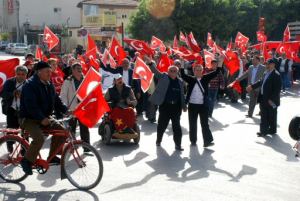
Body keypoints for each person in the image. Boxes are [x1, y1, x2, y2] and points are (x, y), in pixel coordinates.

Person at [19, 61, 69, 175]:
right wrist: (41, 118)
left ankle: (52, 157)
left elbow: (57, 101)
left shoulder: (49, 84)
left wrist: (66, 110)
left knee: (62, 131)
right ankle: (26, 161)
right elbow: (31, 105)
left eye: (50, 71)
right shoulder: (30, 84)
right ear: (39, 72)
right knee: (39, 139)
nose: (49, 74)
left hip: (45, 117)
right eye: (47, 71)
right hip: (28, 118)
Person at [180, 56, 224, 147]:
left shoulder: (205, 78)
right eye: (196, 70)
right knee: (192, 124)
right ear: (194, 71)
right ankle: (193, 140)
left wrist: (220, 62)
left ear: (202, 71)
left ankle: (207, 141)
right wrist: (182, 64)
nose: (198, 71)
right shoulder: (191, 79)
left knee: (204, 123)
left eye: (200, 70)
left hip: (203, 105)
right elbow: (183, 75)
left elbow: (216, 72)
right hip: (192, 105)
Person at [146, 57, 186, 151]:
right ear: (168, 72)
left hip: (176, 107)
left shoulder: (180, 81)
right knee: (162, 125)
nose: (173, 72)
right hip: (165, 106)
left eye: (174, 71)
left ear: (177, 72)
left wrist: (184, 106)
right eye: (171, 71)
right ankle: (159, 140)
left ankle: (178, 145)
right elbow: (156, 72)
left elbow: (182, 94)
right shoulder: (164, 77)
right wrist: (150, 63)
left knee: (177, 127)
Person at [246, 59, 282, 137]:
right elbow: (260, 82)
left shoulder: (276, 74)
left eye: (268, 64)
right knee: (264, 115)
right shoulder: (266, 72)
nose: (266, 65)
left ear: (273, 65)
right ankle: (263, 131)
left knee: (272, 115)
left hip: (271, 100)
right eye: (266, 64)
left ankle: (272, 130)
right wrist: (252, 86)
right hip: (263, 97)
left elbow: (277, 89)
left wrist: (271, 99)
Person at [60, 63, 90, 151]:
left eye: (80, 68)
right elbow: (63, 95)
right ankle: (71, 148)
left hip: (83, 109)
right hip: (72, 109)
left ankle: (87, 148)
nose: (80, 69)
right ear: (72, 71)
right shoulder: (68, 81)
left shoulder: (85, 80)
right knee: (71, 130)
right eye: (77, 68)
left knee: (84, 129)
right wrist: (66, 108)